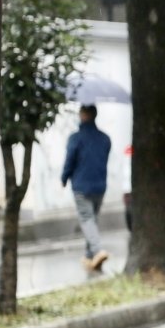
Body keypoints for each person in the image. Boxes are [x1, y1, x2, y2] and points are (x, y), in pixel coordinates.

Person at [61, 104, 111, 271]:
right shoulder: (105, 138)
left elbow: (70, 161)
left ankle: (97, 251)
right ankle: (90, 256)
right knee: (92, 219)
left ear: (83, 115)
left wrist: (64, 178)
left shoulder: (75, 138)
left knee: (87, 219)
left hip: (81, 186)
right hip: (100, 186)